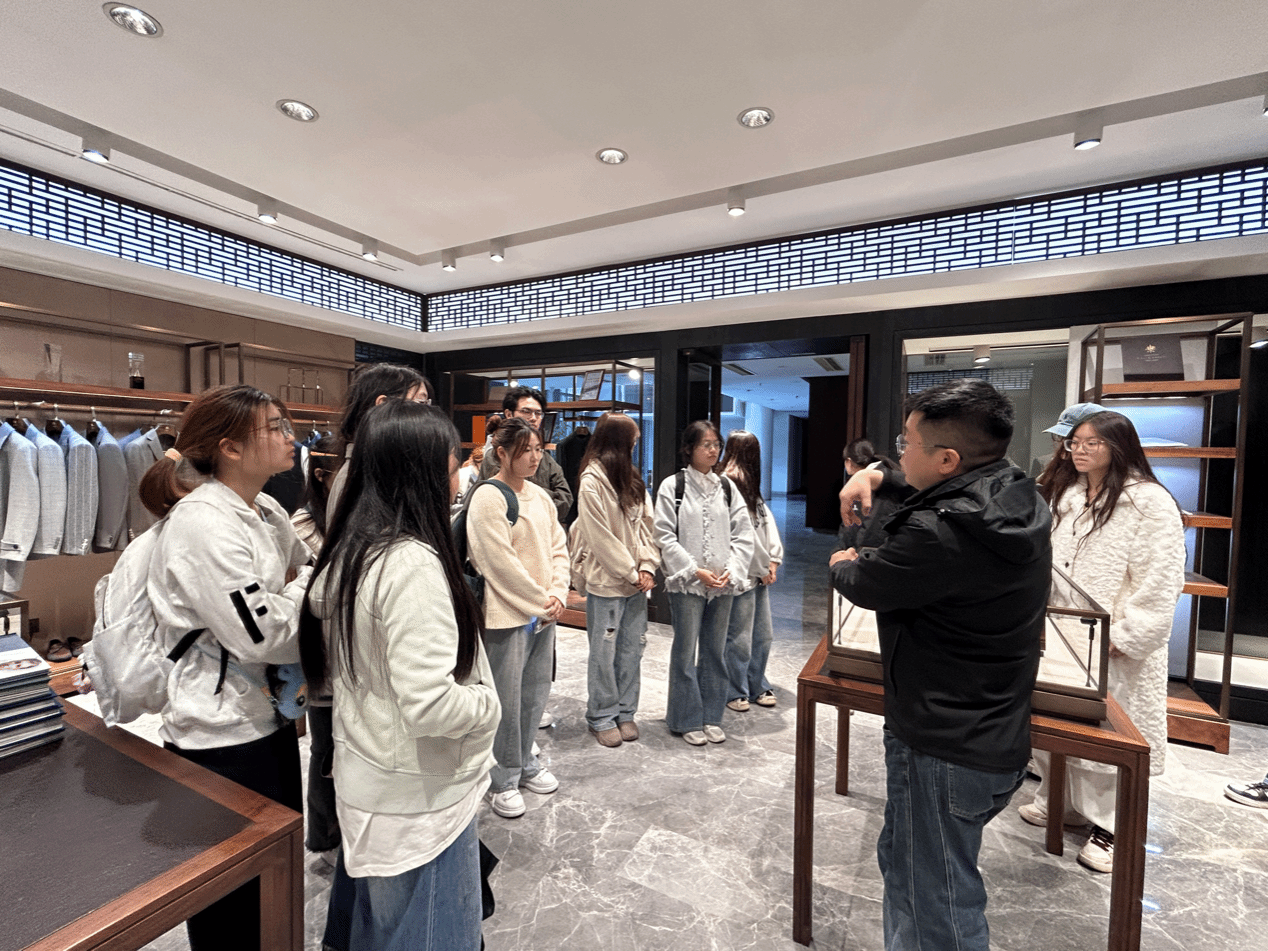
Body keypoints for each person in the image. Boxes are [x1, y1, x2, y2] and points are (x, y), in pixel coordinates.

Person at [830, 379, 1051, 951]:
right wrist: (877, 475)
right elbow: (927, 485)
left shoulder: (938, 532)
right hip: (991, 730)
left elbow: (866, 581)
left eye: (906, 443)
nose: (898, 454)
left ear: (948, 458)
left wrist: (842, 560)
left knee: (936, 904)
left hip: (942, 743)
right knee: (912, 869)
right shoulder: (1015, 493)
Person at [301, 400, 499, 951]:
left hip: (375, 781)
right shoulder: (410, 563)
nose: (459, 478)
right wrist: (488, 704)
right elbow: (430, 704)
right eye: (453, 465)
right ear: (424, 473)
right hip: (418, 798)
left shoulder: (354, 547)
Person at [138, 384, 312, 951]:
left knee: (274, 882)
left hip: (267, 715)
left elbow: (304, 569)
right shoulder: (203, 523)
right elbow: (264, 632)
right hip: (218, 735)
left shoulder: (265, 509)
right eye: (276, 427)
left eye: (287, 425)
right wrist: (303, 590)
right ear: (230, 447)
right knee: (230, 903)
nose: (290, 437)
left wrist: (298, 588)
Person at [1020, 409, 1185, 873]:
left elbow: (1161, 579)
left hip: (1113, 639)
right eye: (1075, 442)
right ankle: (1061, 800)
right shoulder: (1068, 494)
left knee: (1111, 730)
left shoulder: (1149, 501)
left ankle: (1111, 825)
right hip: (1063, 631)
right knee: (1060, 719)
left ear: (1118, 446)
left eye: (1092, 442)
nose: (1079, 450)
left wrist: (1130, 634)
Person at [467, 417, 570, 818]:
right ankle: (502, 779)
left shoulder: (541, 497)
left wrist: (558, 593)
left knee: (534, 694)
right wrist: (541, 600)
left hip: (543, 614)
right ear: (502, 453)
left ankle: (526, 762)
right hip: (506, 614)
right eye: (525, 450)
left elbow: (558, 548)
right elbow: (497, 562)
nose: (534, 457)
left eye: (538, 449)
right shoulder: (488, 496)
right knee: (505, 700)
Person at [654, 421, 754, 746]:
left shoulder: (727, 487)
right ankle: (685, 718)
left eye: (716, 444)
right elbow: (663, 534)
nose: (713, 450)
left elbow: (744, 533)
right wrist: (694, 570)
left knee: (715, 650)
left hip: (722, 584)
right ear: (689, 448)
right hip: (688, 583)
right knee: (685, 651)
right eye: (705, 444)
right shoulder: (673, 486)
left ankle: (711, 715)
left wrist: (732, 570)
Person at [570, 413, 659, 747]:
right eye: (632, 439)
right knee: (603, 653)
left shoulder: (632, 477)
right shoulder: (591, 480)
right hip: (607, 581)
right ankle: (601, 715)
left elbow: (648, 526)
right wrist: (631, 572)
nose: (635, 444)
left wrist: (648, 566)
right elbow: (599, 537)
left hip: (636, 583)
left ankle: (625, 711)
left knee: (632, 649)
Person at [287, 434, 342, 864]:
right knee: (325, 747)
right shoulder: (302, 523)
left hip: (353, 644)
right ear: (322, 476)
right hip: (322, 645)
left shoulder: (354, 515)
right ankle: (323, 836)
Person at [718, 430, 783, 711]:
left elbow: (765, 522)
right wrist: (763, 565)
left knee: (762, 635)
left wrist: (773, 559)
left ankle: (756, 682)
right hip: (740, 574)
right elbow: (743, 535)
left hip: (756, 573)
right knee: (739, 637)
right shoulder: (727, 482)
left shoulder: (749, 484)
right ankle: (734, 689)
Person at [327, 362, 429, 519]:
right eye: (421, 402)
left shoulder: (381, 468)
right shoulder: (361, 477)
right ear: (383, 405)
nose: (428, 414)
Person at [478, 385, 573, 522]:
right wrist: (547, 497)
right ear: (509, 414)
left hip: (544, 529)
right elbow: (510, 501)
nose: (533, 418)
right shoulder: (498, 455)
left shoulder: (544, 457)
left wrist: (530, 496)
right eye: (526, 411)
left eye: (538, 413)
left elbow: (565, 500)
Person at [835, 438, 901, 554]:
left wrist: (845, 556)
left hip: (865, 557)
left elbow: (870, 533)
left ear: (848, 462)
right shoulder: (887, 476)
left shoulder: (875, 484)